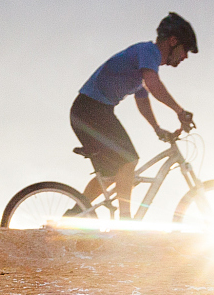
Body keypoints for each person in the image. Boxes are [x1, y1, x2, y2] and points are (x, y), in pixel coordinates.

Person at [70, 13, 198, 220]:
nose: (184, 57)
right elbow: (154, 84)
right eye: (185, 51)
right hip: (90, 110)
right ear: (173, 42)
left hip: (91, 111)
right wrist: (180, 112)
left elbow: (143, 99)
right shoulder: (148, 52)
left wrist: (157, 129)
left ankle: (73, 214)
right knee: (129, 160)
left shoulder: (144, 65)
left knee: (113, 174)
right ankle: (126, 222)